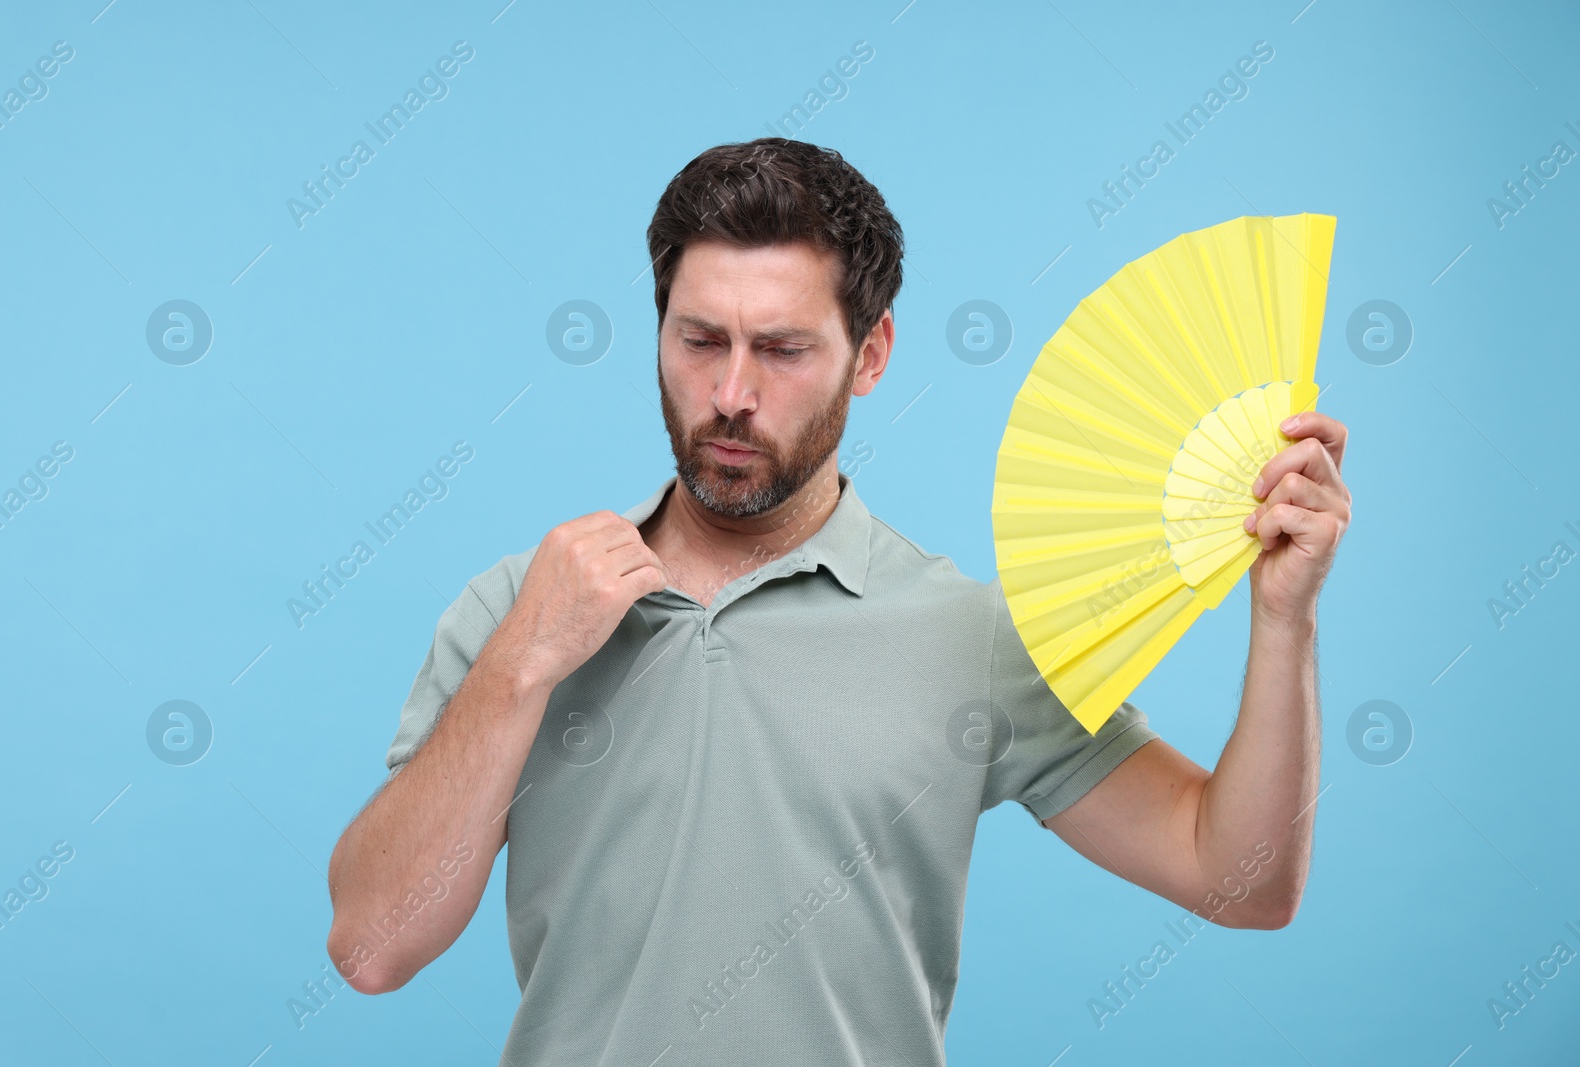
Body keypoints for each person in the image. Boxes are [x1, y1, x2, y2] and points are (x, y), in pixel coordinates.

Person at [325, 136, 1351, 1066]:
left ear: (870, 355)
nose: (731, 391)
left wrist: (1282, 619)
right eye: (698, 340)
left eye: (781, 348)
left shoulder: (970, 635)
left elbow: (1243, 879)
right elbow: (372, 945)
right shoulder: (519, 603)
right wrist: (521, 663)